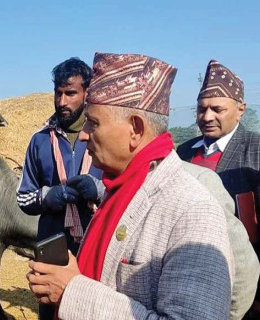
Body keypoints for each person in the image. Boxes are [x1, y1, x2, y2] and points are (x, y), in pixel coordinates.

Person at [27, 52, 234, 319]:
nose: (85, 135)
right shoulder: (119, 192)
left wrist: (73, 290)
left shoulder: (194, 213)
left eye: (94, 123)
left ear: (135, 129)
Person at [16, 57, 102, 319]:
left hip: (95, 243)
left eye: (71, 93)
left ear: (87, 93)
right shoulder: (40, 140)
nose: (62, 101)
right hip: (53, 247)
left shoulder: (103, 135)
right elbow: (24, 197)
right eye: (58, 92)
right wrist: (48, 196)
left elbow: (125, 193)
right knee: (51, 311)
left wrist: (97, 191)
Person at [177, 59, 260, 318]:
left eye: (217, 109)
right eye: (201, 110)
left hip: (245, 282)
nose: (207, 117)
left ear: (240, 110)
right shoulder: (183, 153)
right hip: (191, 273)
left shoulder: (256, 151)